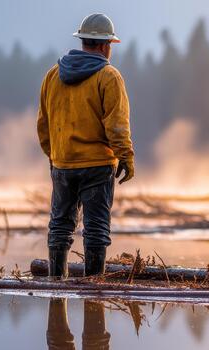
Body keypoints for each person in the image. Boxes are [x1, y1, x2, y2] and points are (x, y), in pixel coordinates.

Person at [37, 13, 135, 279]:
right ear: (105, 46)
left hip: (63, 164)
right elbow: (117, 126)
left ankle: (56, 288)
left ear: (83, 41)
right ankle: (95, 291)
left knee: (59, 227)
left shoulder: (52, 76)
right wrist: (126, 157)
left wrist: (55, 156)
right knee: (96, 229)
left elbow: (43, 125)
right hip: (97, 166)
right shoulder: (109, 77)